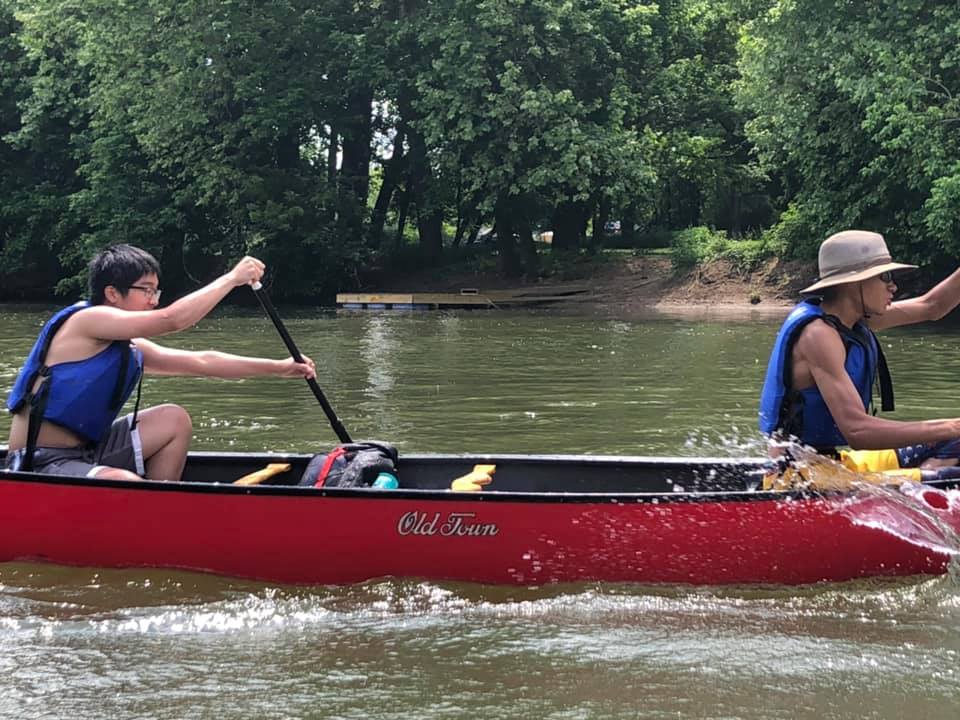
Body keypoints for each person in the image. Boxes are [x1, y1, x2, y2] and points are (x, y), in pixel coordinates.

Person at [5, 244, 316, 481]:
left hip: (87, 452)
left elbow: (202, 362)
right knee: (123, 483)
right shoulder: (87, 321)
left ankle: (161, 510)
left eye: (157, 290)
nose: (154, 299)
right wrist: (232, 278)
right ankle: (144, 510)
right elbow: (173, 319)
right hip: (41, 462)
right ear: (112, 293)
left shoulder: (125, 344)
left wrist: (281, 367)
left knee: (173, 419)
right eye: (147, 290)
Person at [758, 229, 960, 471]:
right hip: (797, 475)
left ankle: (919, 490)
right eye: (885, 276)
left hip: (834, 465)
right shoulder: (818, 334)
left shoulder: (853, 320)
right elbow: (857, 431)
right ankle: (920, 496)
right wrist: (952, 426)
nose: (893, 286)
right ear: (854, 283)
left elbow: (933, 306)